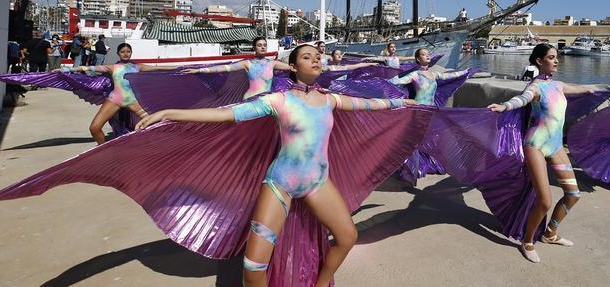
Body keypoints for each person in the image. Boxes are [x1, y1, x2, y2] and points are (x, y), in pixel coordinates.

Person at [136, 44, 417, 287]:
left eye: (318, 55)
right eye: (307, 57)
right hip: (281, 184)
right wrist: (169, 113)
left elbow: (368, 105)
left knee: (347, 238)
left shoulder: (330, 100)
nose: (316, 59)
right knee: (253, 267)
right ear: (293, 67)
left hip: (317, 182)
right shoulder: (279, 100)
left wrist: (400, 103)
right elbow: (226, 115)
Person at [487, 43, 596, 263]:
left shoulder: (558, 85)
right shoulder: (535, 87)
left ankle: (550, 234)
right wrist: (504, 107)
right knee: (544, 201)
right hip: (535, 144)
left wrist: (598, 88)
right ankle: (527, 241)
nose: (556, 61)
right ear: (539, 61)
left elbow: (583, 89)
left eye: (557, 57)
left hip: (555, 146)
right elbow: (521, 100)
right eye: (551, 57)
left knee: (573, 194)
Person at [64, 42, 179, 144]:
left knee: (155, 123)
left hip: (133, 101)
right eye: (122, 52)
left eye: (128, 51)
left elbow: (157, 69)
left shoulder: (137, 67)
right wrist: (65, 70)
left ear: (131, 53)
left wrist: (181, 68)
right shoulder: (113, 67)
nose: (125, 54)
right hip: (114, 100)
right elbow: (87, 68)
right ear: (118, 53)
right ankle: (102, 148)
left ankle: (167, 142)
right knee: (94, 128)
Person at [181, 37, 292, 100]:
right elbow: (225, 68)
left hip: (267, 100)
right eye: (259, 45)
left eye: (264, 45)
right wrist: (199, 70)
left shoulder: (272, 63)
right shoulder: (247, 63)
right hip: (250, 100)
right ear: (254, 47)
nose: (263, 47)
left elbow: (292, 68)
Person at [388, 48, 472, 105]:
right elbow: (398, 82)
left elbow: (450, 75)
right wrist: (383, 80)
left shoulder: (434, 74)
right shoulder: (415, 75)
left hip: (432, 107)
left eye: (428, 54)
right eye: (424, 54)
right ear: (418, 59)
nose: (428, 56)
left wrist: (465, 71)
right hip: (419, 109)